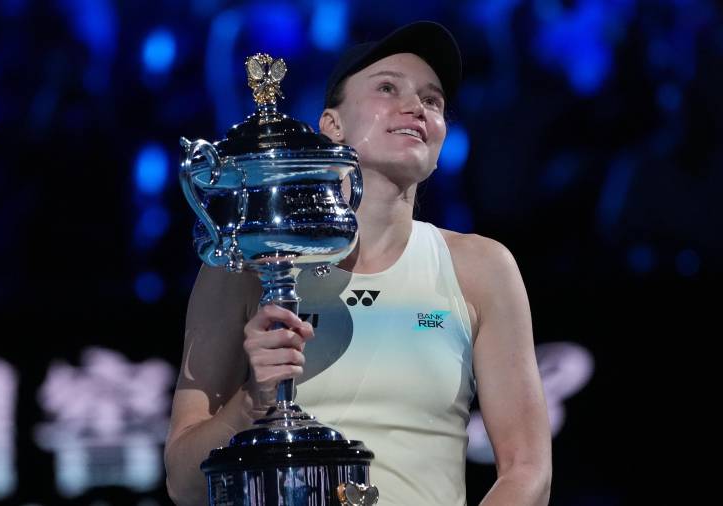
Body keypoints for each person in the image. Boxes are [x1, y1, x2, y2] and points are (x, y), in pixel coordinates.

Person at [164, 21, 551, 506]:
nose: (417, 107)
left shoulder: (482, 268)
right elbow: (183, 482)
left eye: (432, 101)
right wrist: (253, 403)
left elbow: (528, 468)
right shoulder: (245, 264)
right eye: (388, 88)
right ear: (332, 125)